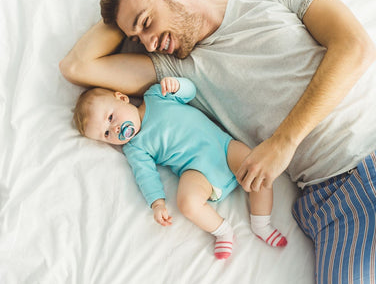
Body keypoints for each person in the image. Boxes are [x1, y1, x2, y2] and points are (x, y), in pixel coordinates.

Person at [60, 0, 376, 283]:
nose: (149, 43)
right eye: (137, 39)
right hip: (334, 204)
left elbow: (356, 47)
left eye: (147, 23)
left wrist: (283, 141)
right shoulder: (176, 73)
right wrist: (122, 19)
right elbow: (75, 67)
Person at [73, 76, 287, 260]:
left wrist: (177, 85)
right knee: (186, 203)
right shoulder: (134, 147)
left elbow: (190, 92)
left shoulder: (155, 96)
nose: (115, 129)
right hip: (197, 173)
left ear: (121, 98)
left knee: (261, 169)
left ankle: (261, 223)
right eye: (107, 134)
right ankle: (222, 231)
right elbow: (145, 175)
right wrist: (157, 203)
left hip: (224, 148)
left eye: (110, 118)